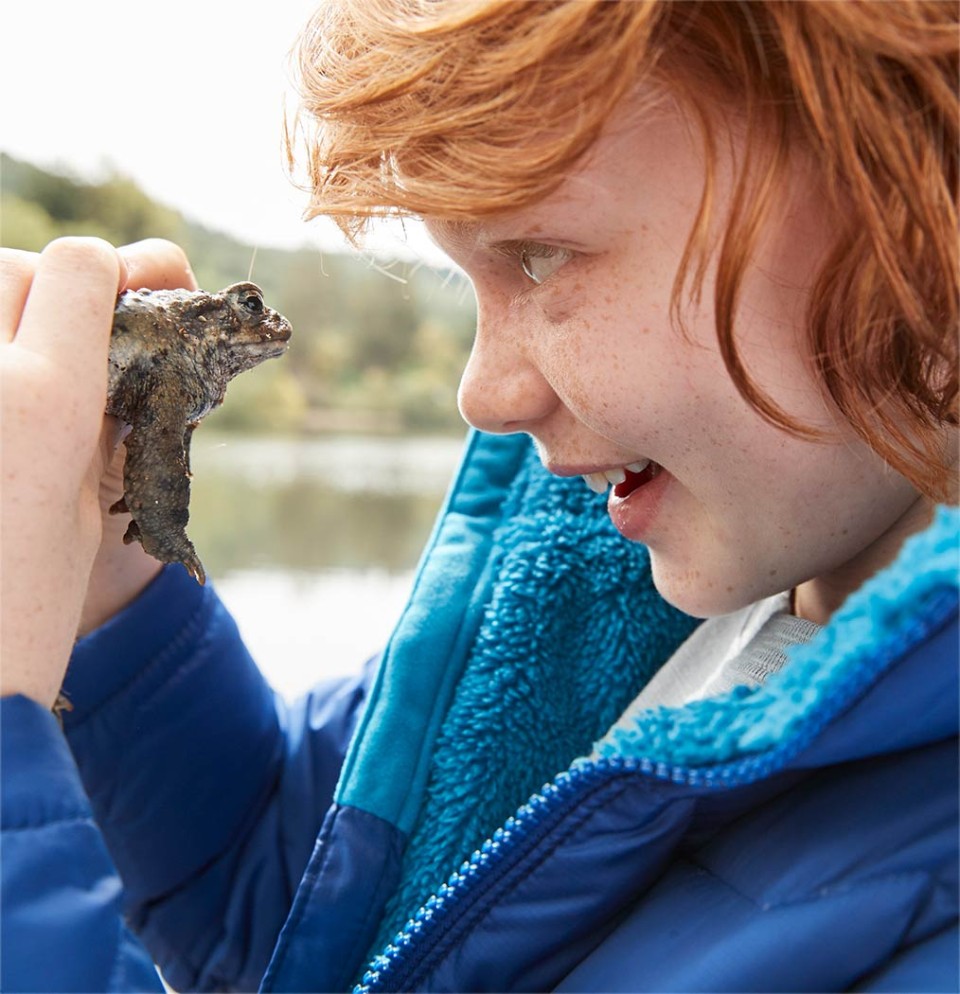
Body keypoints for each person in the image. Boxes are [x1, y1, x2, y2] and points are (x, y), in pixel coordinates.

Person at [2, 1, 957, 991]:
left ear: (918, 193)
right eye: (470, 281)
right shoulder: (609, 588)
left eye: (541, 254)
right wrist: (110, 584)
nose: (483, 397)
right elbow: (313, 912)